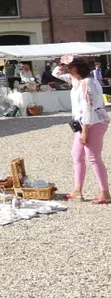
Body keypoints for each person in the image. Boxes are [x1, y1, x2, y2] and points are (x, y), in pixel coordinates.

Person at [54, 56, 111, 204]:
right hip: (84, 122)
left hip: (93, 122)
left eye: (70, 67)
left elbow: (88, 107)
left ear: (77, 68)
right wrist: (62, 63)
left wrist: (85, 131)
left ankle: (105, 193)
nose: (68, 69)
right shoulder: (77, 81)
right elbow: (56, 73)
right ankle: (77, 190)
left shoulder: (88, 83)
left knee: (93, 158)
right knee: (77, 155)